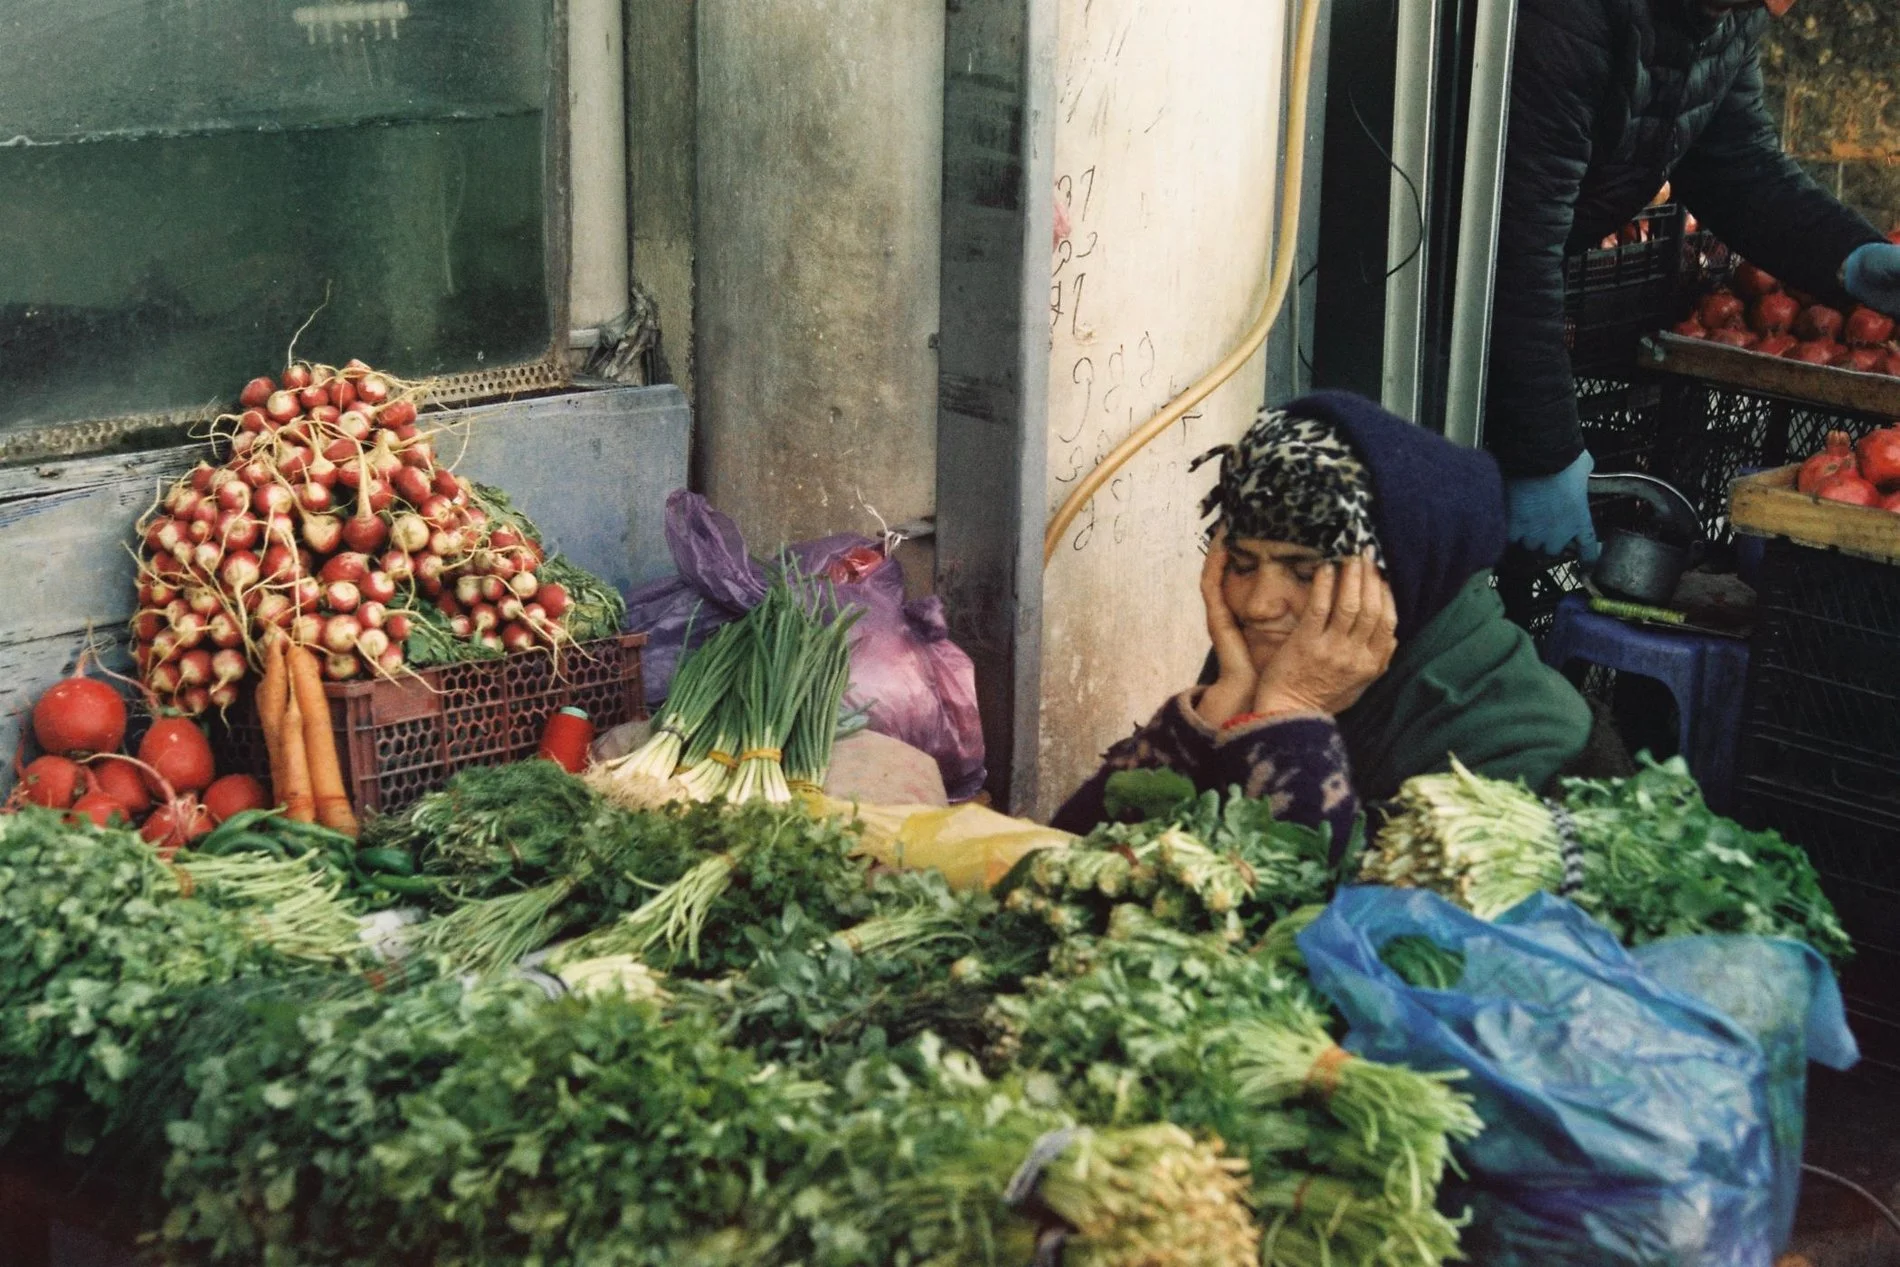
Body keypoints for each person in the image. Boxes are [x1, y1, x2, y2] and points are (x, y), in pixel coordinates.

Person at [1050, 392, 1631, 844]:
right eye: (1243, 563)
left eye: (1304, 571)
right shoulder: (1257, 669)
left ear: (1401, 578)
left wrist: (1289, 722)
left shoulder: (1522, 754)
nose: (1256, 604)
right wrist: (1209, 719)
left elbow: (1294, 940)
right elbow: (1074, 859)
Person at [1491, 0, 1900, 562]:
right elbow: (1515, 236)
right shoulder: (1570, 19)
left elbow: (1737, 167)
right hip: (1417, 283)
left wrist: (1851, 256)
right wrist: (1544, 452)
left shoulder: (1729, 18)